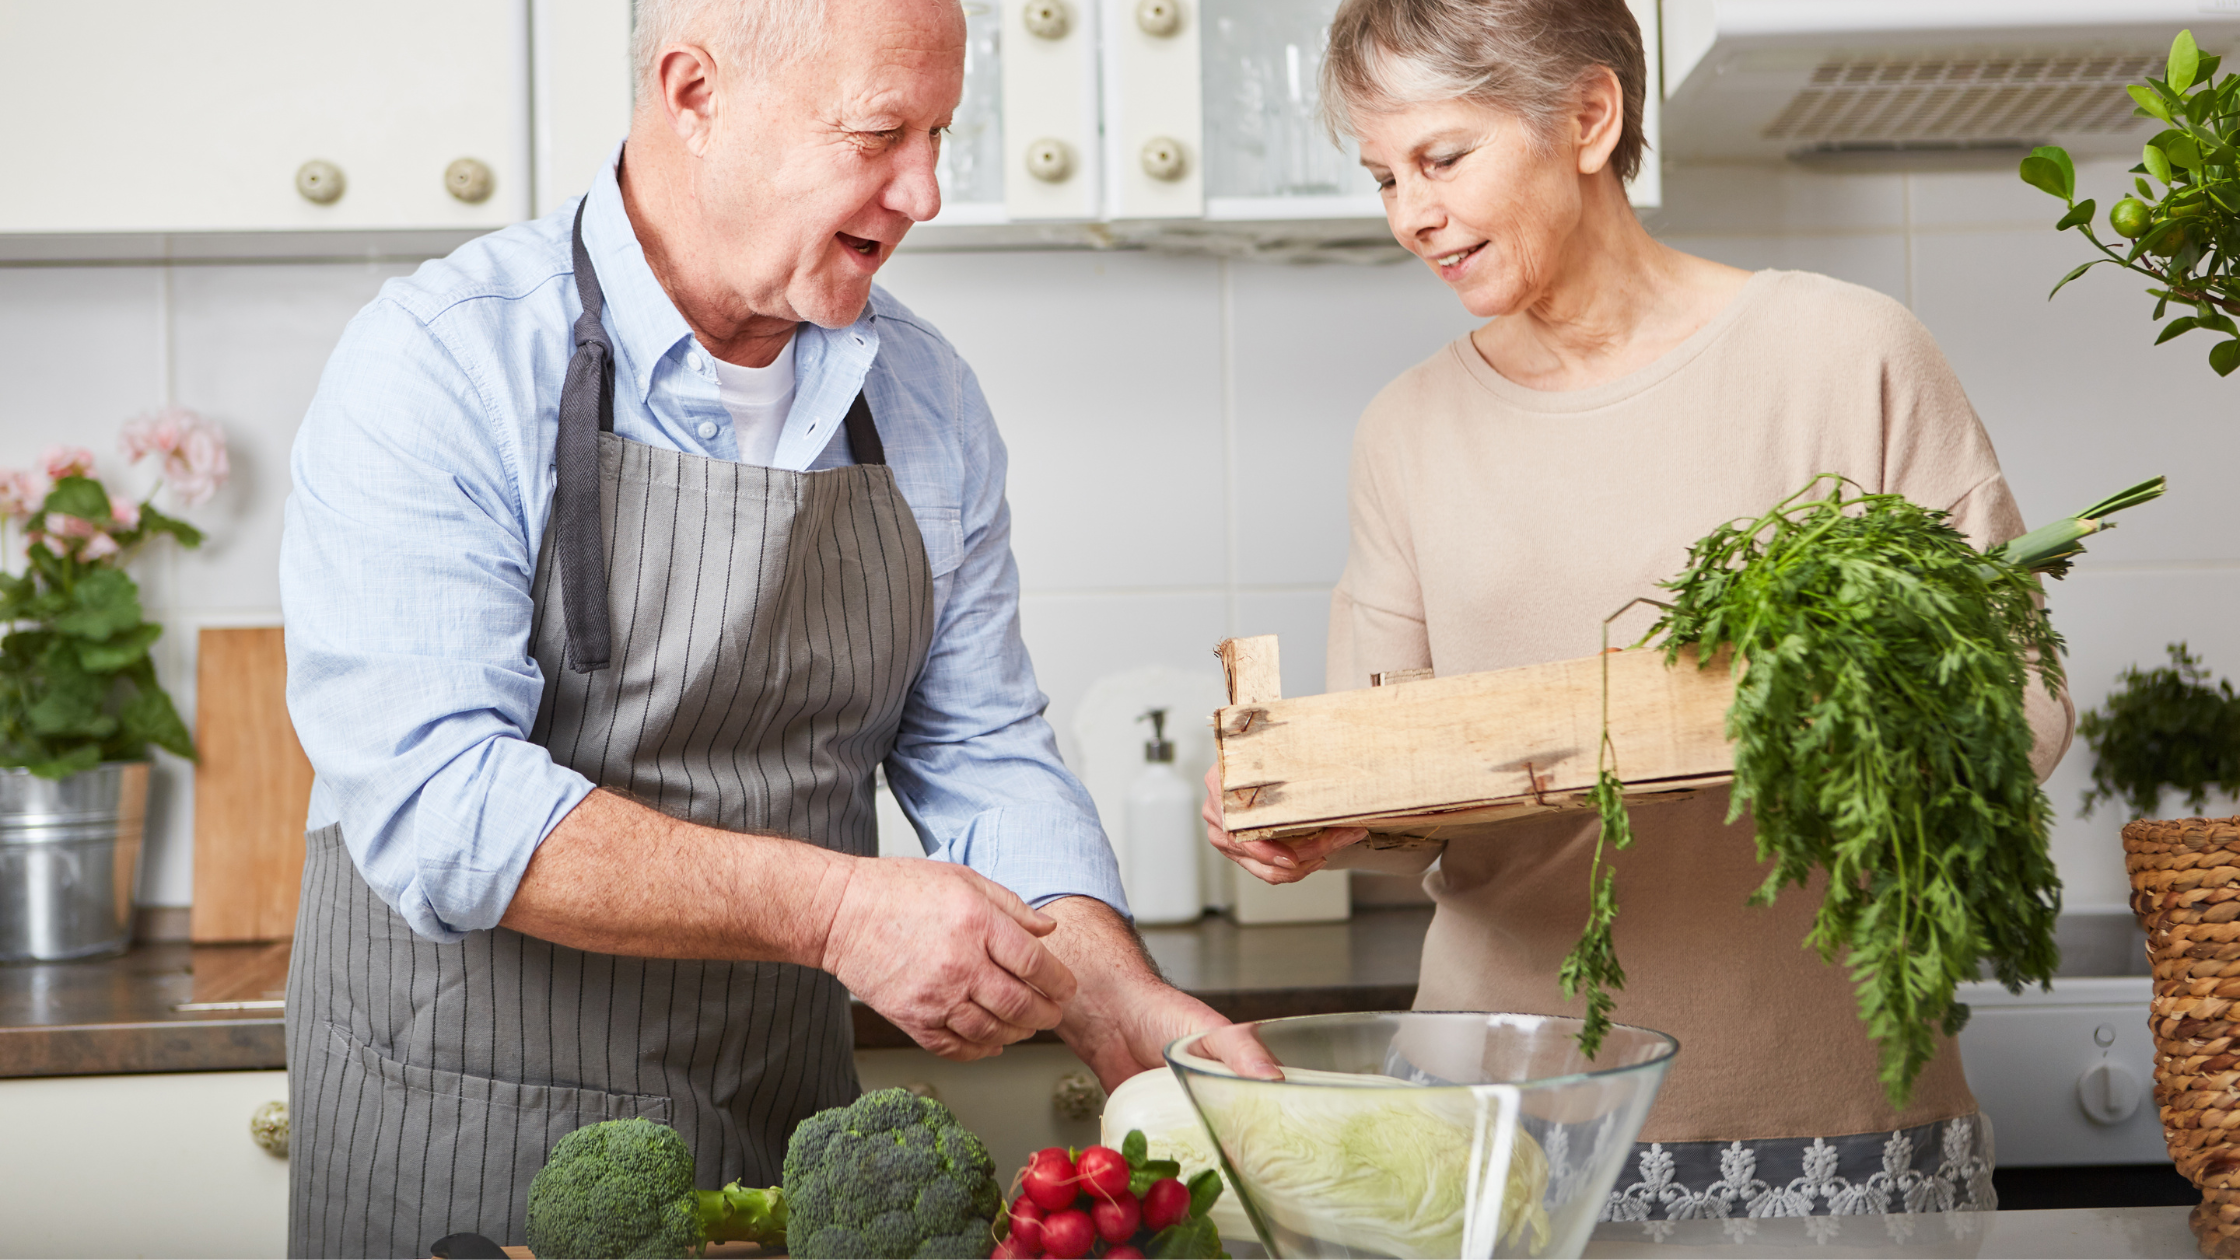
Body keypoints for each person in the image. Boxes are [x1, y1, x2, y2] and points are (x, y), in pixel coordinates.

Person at [278, 1, 1260, 1253]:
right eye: (878, 133)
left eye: (941, 132)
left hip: (787, 1131)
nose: (927, 191)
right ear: (694, 92)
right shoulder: (442, 364)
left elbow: (980, 748)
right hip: (469, 1135)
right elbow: (441, 804)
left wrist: (1114, 1000)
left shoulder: (923, 392)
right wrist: (848, 916)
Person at [1202, 0, 2072, 1220]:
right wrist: (1316, 818)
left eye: (1441, 159)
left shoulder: (1846, 353)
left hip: (1830, 1106)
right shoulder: (1403, 430)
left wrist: (1798, 721)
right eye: (1382, 174)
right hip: (1497, 1119)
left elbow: (2020, 706)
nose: (1409, 214)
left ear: (1588, 116)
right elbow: (1390, 782)